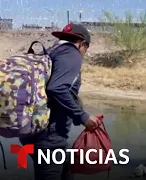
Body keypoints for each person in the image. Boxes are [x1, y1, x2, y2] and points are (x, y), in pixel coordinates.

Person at [19, 23, 101, 180]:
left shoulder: (52, 51)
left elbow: (53, 88)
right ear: (83, 44)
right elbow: (57, 88)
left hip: (34, 131)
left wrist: (76, 106)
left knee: (66, 171)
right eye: (86, 49)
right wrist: (82, 116)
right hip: (49, 136)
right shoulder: (71, 53)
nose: (83, 53)